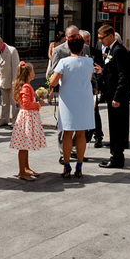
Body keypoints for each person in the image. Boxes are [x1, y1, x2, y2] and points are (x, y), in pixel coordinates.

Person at [49, 33, 95, 178]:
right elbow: (90, 78)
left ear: (69, 47)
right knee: (81, 133)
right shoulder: (89, 62)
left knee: (67, 132)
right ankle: (80, 165)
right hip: (84, 99)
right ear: (83, 47)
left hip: (68, 100)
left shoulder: (64, 62)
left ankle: (67, 165)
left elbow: (53, 82)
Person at [97, 24, 130, 169]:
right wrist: (103, 71)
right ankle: (116, 155)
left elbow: (123, 75)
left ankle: (117, 157)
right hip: (112, 95)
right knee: (115, 126)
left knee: (117, 126)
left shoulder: (118, 51)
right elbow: (114, 72)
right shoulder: (112, 49)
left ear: (111, 36)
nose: (100, 40)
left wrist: (117, 97)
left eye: (102, 38)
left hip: (117, 97)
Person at [9, 62, 45, 181]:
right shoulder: (26, 87)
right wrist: (37, 104)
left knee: (25, 144)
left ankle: (26, 167)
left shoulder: (26, 86)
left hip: (29, 116)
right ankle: (22, 172)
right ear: (30, 74)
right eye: (33, 71)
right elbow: (25, 104)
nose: (34, 73)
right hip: (27, 117)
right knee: (23, 146)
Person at [81, 30, 104, 148]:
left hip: (92, 86)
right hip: (80, 87)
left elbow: (101, 68)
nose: (86, 44)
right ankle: (85, 134)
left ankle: (98, 135)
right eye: (84, 41)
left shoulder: (96, 52)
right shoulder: (77, 52)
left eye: (88, 41)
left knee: (94, 111)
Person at [0, 36, 20, 127]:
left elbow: (16, 67)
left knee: (14, 102)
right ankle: (4, 119)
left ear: (1, 42)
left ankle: (15, 121)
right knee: (4, 102)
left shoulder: (12, 50)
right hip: (2, 80)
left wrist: (15, 82)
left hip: (11, 80)